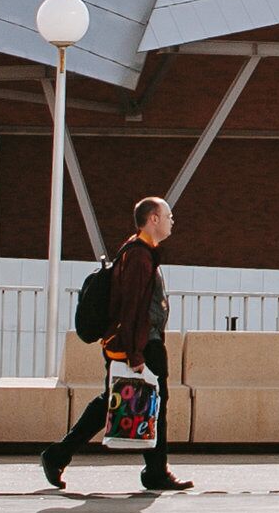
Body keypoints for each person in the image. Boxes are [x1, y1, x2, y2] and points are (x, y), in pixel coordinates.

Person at [42, 194, 188, 494]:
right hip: (141, 344)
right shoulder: (139, 256)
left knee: (114, 402)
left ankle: (59, 455)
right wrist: (136, 354)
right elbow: (132, 307)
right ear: (153, 219)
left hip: (136, 342)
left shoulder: (138, 251)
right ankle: (155, 472)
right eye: (168, 215)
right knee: (154, 404)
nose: (173, 220)